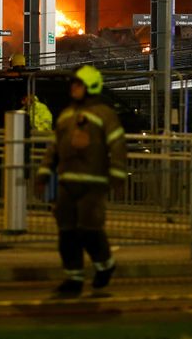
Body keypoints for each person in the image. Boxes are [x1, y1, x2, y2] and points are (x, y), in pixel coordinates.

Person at [35, 65, 126, 295]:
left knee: (89, 229)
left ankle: (105, 266)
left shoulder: (105, 114)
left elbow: (117, 146)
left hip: (93, 183)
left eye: (78, 84)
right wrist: (44, 172)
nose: (73, 88)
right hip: (66, 182)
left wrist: (117, 176)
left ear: (90, 87)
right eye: (73, 84)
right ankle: (73, 279)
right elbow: (54, 147)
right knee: (66, 233)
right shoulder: (66, 115)